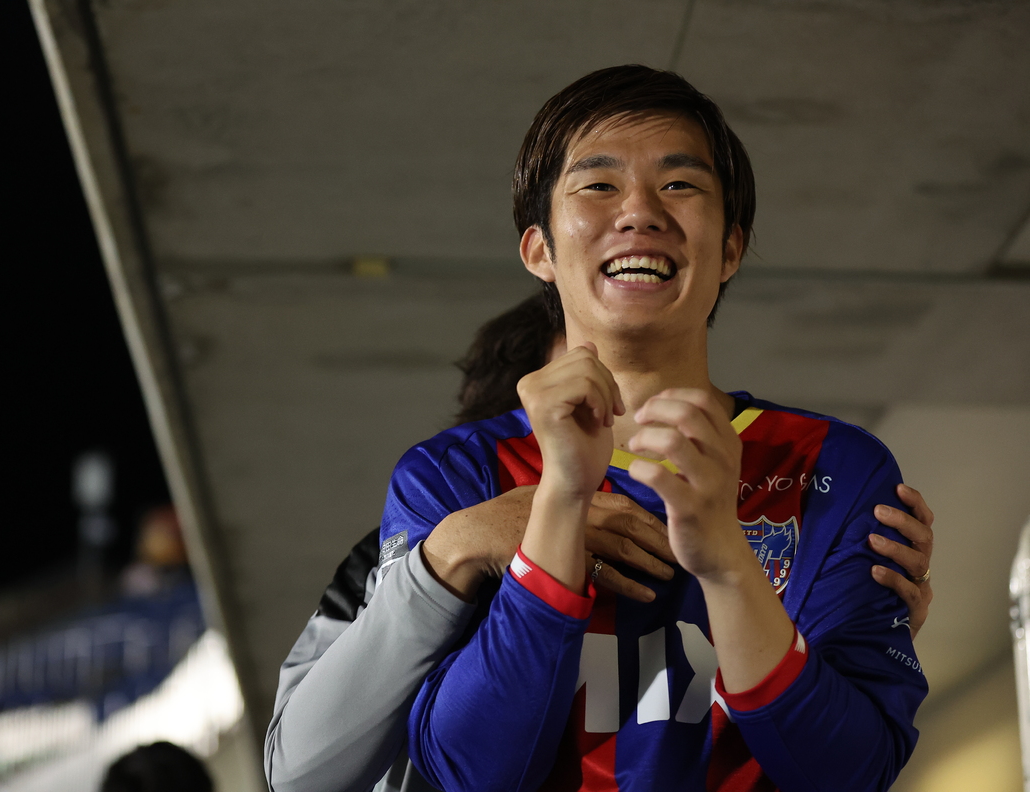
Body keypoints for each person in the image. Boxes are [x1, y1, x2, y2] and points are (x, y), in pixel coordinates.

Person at [384, 65, 929, 792]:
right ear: (539, 250)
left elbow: (854, 770)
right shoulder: (449, 478)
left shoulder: (838, 468)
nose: (639, 211)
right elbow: (469, 772)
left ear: (730, 249)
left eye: (679, 184)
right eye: (597, 185)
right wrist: (561, 501)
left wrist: (728, 564)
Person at [266, 288, 934, 791]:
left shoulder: (797, 492)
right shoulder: (422, 536)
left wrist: (843, 602)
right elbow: (299, 772)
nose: (613, 424)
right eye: (580, 396)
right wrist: (458, 547)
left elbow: (846, 752)